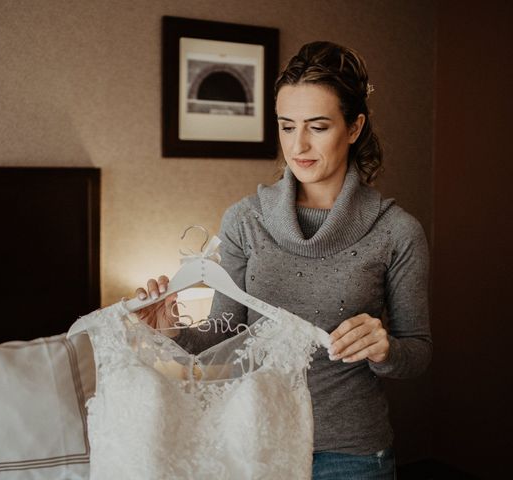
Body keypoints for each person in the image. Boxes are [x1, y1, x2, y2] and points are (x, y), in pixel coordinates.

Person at [134, 41, 431, 479]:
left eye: (318, 126)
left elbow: (417, 353)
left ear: (354, 128)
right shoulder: (244, 220)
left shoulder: (397, 231)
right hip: (256, 443)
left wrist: (384, 348)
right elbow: (223, 342)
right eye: (287, 126)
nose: (300, 145)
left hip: (351, 456)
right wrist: (171, 330)